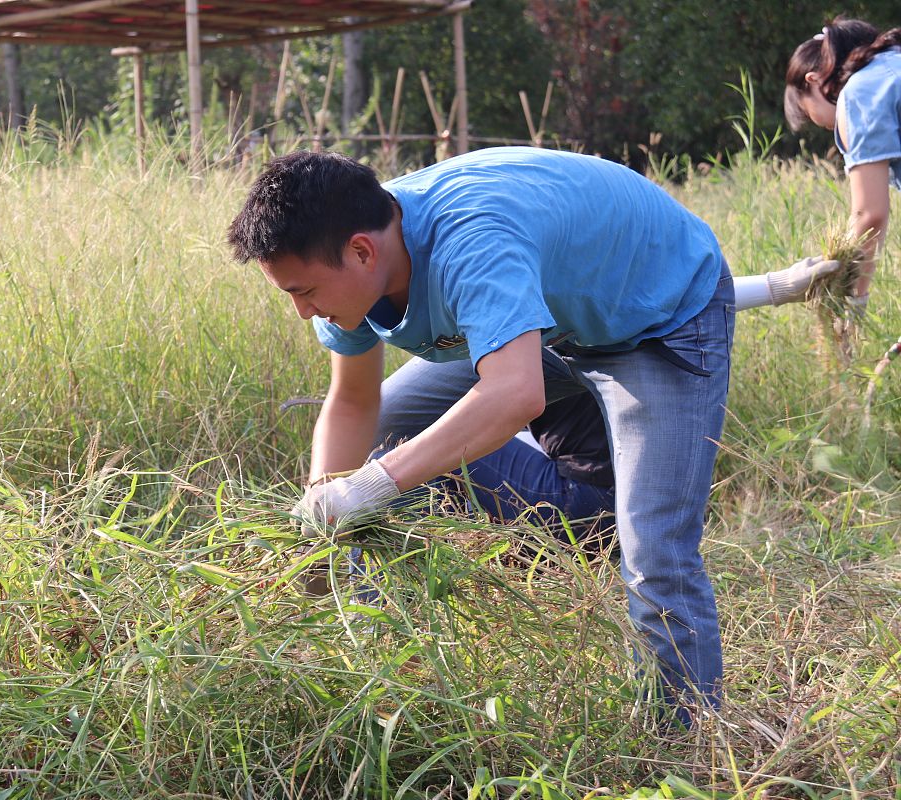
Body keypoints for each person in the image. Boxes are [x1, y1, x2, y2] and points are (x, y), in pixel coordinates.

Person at [227, 146, 829, 725]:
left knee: (654, 551)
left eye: (304, 293)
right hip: (546, 321)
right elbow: (356, 400)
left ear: (361, 252)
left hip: (657, 318)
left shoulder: (471, 242)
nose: (303, 312)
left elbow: (516, 395)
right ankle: (388, 671)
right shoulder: (360, 271)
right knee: (389, 429)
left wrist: (371, 485)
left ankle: (686, 738)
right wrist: (322, 515)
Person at [374, 258, 838, 534]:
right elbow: (695, 297)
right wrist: (778, 287)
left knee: (403, 451)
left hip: (584, 508)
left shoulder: (516, 326)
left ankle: (388, 604)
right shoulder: (594, 302)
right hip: (635, 516)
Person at [784, 17, 900, 303]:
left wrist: (849, 301)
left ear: (813, 81)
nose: (828, 128)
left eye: (811, 114)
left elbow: (869, 215)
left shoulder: (860, 93)